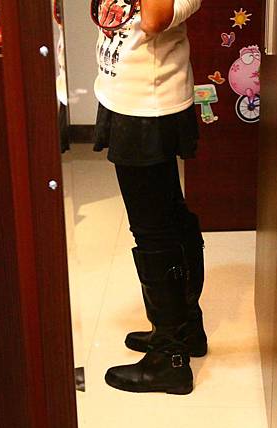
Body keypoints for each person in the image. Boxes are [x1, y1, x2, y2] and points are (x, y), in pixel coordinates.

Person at [92, 0, 207, 395]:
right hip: (130, 96)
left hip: (148, 108)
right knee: (170, 218)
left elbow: (155, 19)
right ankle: (184, 327)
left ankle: (169, 358)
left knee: (154, 230)